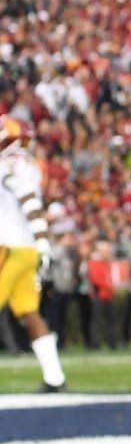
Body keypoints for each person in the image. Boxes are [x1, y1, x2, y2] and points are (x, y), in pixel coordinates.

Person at [0, 117, 66, 391]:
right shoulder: (31, 165)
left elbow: (27, 199)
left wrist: (43, 240)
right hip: (27, 249)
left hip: (9, 248)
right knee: (29, 312)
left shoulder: (9, 165)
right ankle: (55, 377)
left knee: (29, 313)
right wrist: (41, 244)